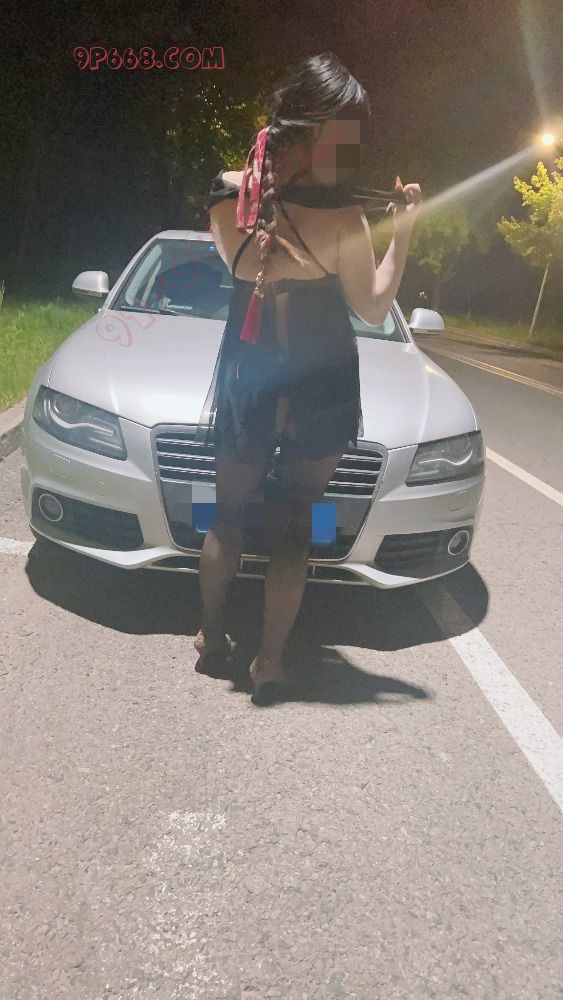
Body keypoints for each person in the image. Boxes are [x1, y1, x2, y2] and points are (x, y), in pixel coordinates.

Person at [194, 52, 422, 705]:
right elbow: (373, 306)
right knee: (296, 525)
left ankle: (212, 638)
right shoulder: (345, 218)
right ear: (321, 131)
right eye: (346, 133)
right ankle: (269, 663)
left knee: (228, 517)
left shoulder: (225, 201)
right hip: (320, 380)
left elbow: (239, 268)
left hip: (247, 370)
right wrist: (403, 230)